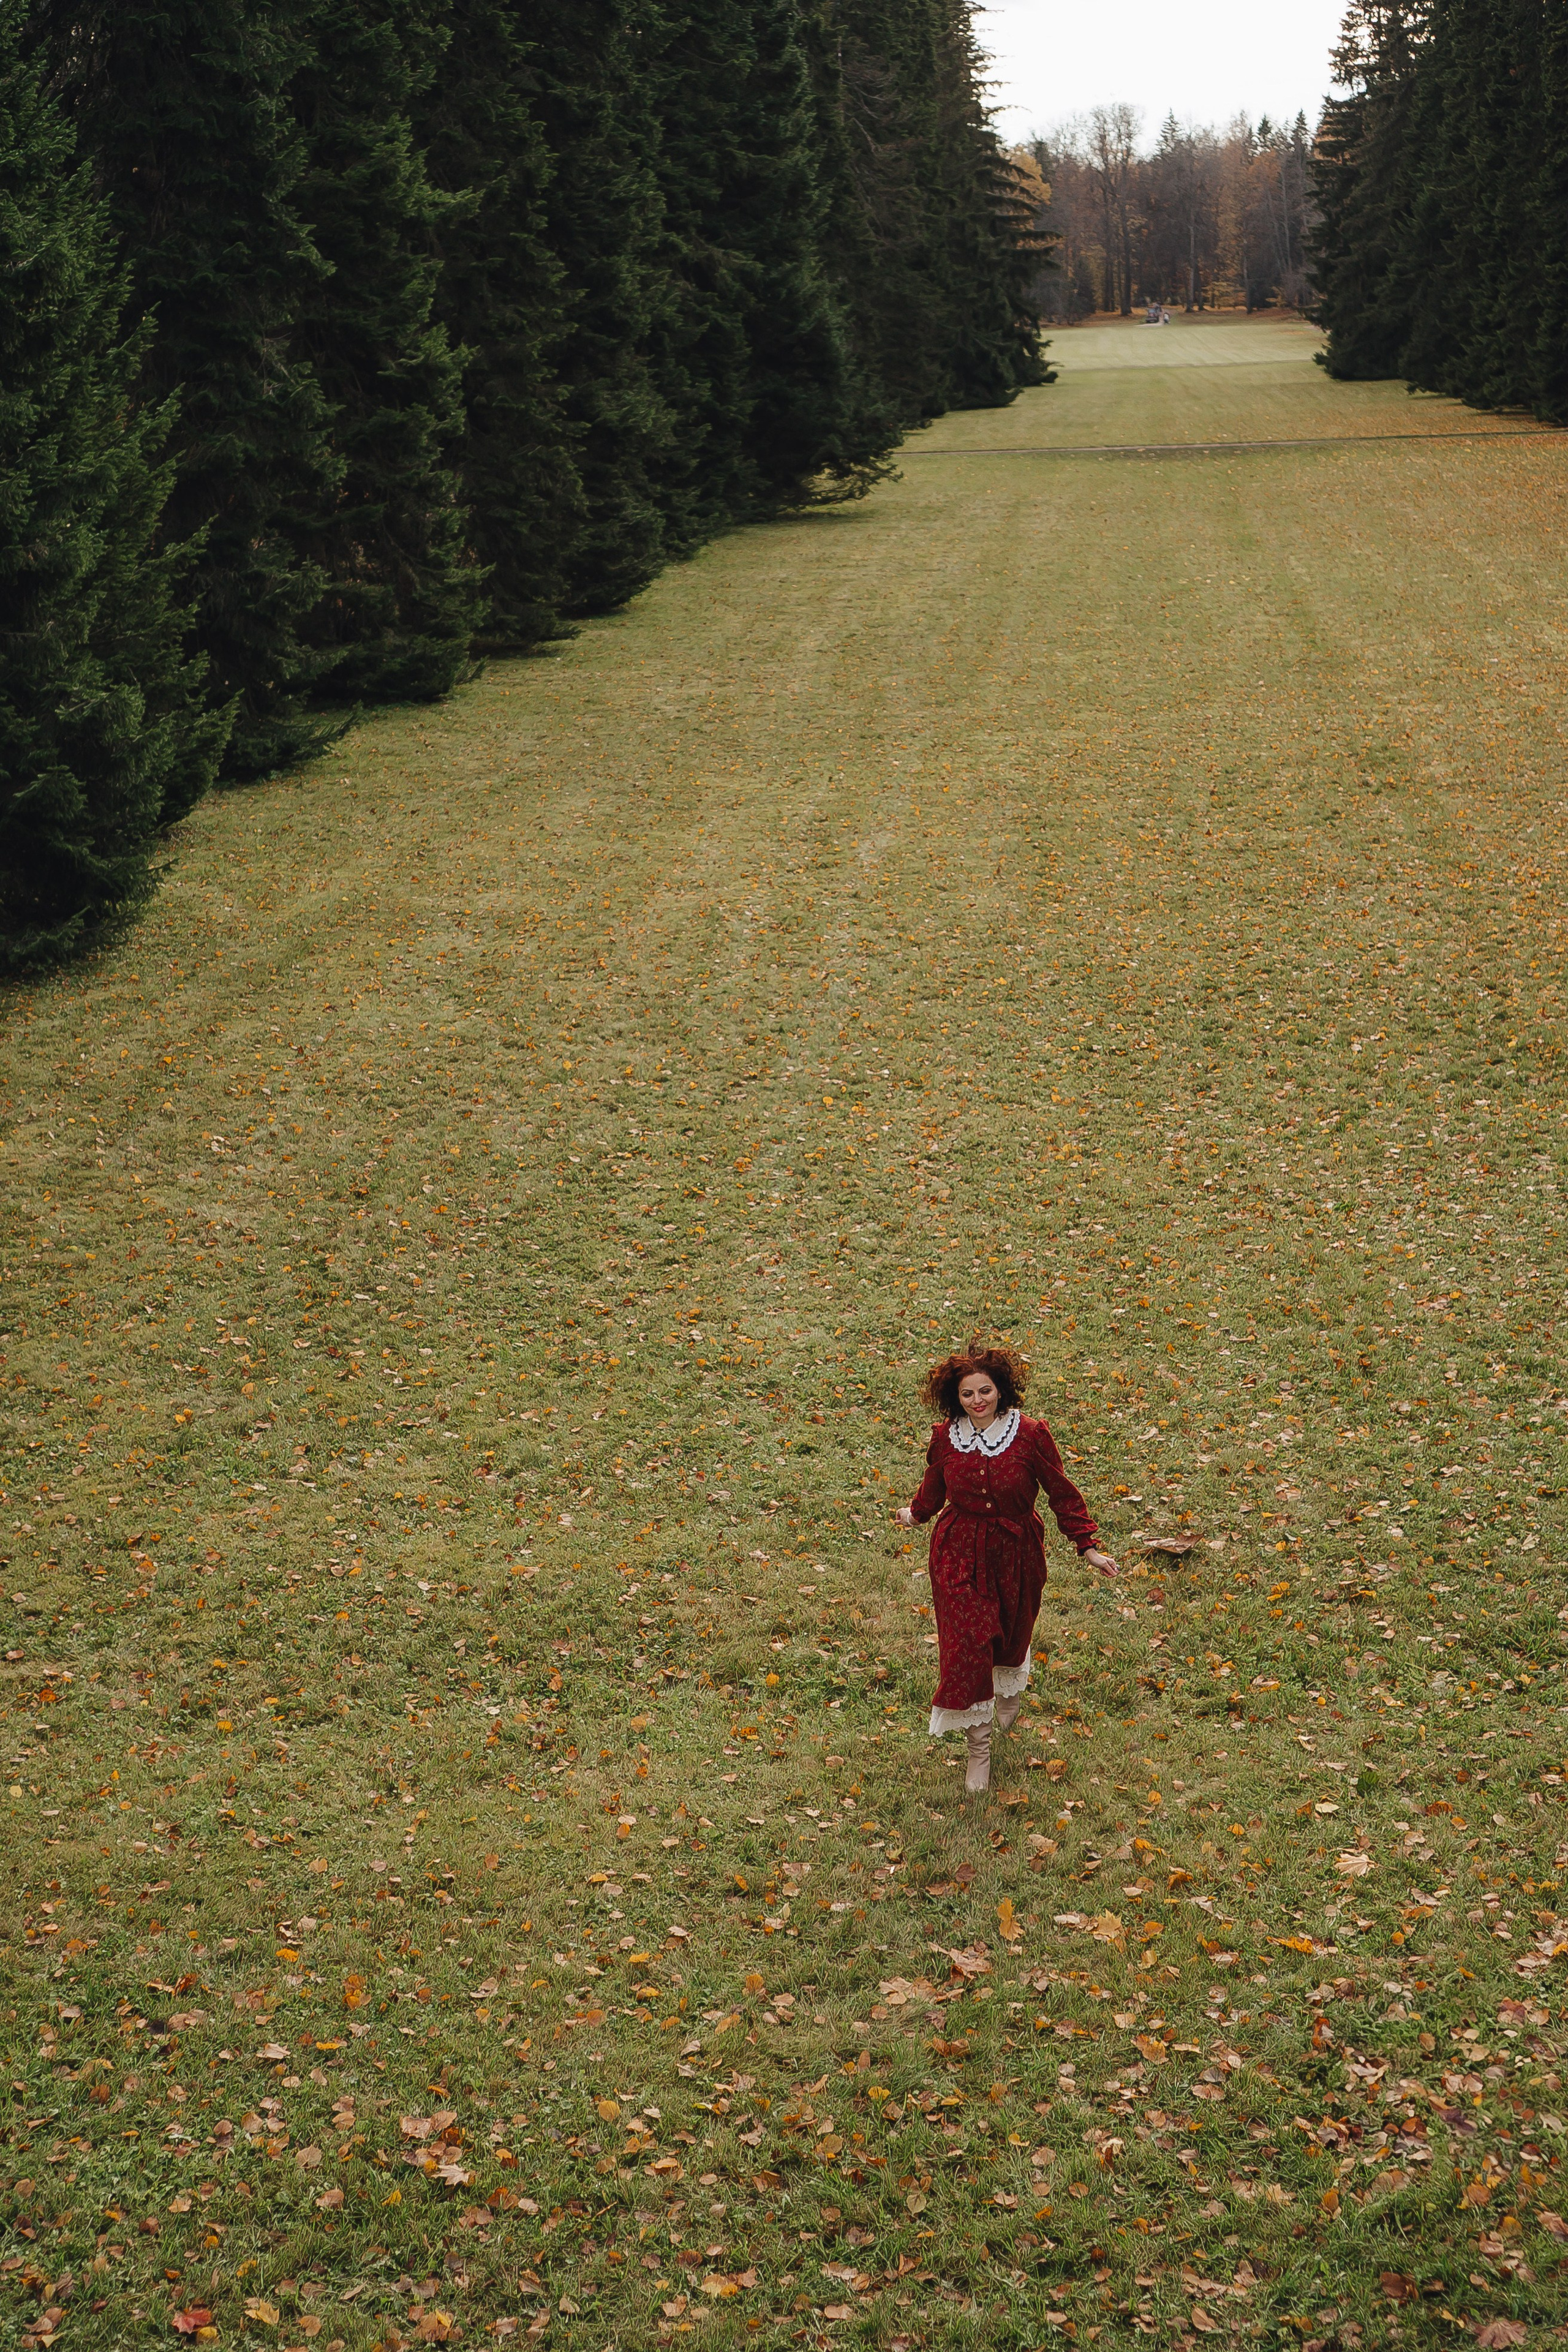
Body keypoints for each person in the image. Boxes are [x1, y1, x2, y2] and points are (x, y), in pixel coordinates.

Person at [894, 1339, 1117, 1795]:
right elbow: (933, 1489)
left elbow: (1061, 1492)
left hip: (1017, 1550)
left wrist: (1087, 1546)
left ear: (1002, 1390)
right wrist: (916, 1514)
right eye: (967, 1395)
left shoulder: (1031, 1435)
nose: (977, 1401)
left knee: (1011, 1635)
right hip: (957, 1550)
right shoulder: (945, 1437)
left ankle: (1010, 1686)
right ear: (955, 1399)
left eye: (985, 1391)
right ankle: (979, 1751)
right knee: (968, 1644)